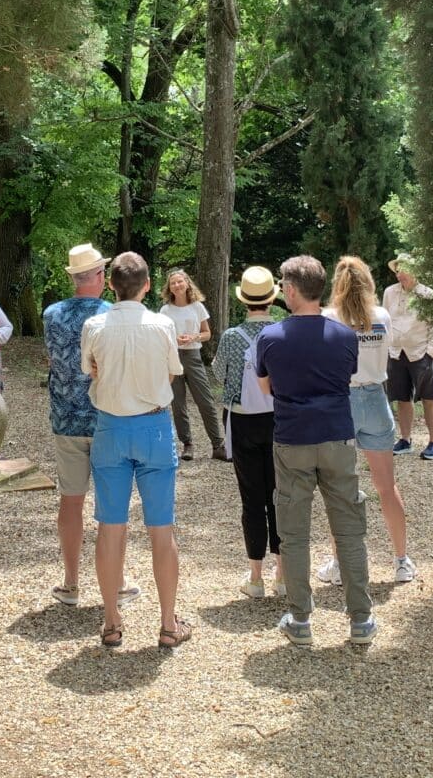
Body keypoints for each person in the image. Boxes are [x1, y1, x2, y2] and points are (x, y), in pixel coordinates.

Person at [257, 255, 377, 648]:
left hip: (293, 439)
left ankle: (301, 617)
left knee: (294, 533)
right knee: (349, 530)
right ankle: (360, 619)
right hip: (338, 437)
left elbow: (265, 390)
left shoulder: (271, 337)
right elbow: (347, 378)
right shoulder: (344, 335)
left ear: (290, 290)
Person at [80, 252, 191, 650]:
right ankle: (167, 623)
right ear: (146, 285)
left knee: (111, 527)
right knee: (161, 528)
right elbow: (173, 370)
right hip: (154, 426)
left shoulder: (94, 324)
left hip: (110, 426)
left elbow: (88, 368)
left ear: (111, 284)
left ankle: (111, 620)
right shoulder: (162, 323)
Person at [41, 243, 139, 609]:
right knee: (113, 504)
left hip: (66, 418)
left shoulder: (52, 314)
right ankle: (118, 579)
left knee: (71, 499)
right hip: (107, 418)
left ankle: (71, 581)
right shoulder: (113, 314)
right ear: (99, 277)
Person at [320, 256, 417, 585]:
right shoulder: (382, 316)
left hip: (341, 401)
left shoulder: (329, 318)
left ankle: (338, 563)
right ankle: (402, 560)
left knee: (339, 489)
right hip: (375, 398)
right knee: (387, 487)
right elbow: (388, 353)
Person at [213, 266, 284, 599]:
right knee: (280, 495)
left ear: (244, 300)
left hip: (242, 420)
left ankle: (255, 576)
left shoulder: (230, 337)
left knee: (251, 497)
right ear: (272, 299)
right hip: (279, 418)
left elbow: (218, 374)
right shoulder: (283, 332)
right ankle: (282, 574)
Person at [159, 269, 227, 462]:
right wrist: (175, 339)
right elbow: (161, 336)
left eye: (180, 282)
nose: (177, 285)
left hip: (193, 356)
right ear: (169, 287)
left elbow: (207, 333)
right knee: (178, 404)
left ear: (187, 283)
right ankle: (187, 444)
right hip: (172, 356)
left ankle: (217, 444)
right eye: (173, 283)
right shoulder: (165, 310)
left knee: (205, 401)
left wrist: (194, 336)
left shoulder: (197, 307)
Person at [384, 255, 433, 459]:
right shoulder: (389, 292)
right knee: (402, 397)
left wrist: (431, 352)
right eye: (397, 270)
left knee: (430, 397)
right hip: (396, 352)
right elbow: (385, 321)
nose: (400, 274)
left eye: (403, 270)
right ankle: (405, 439)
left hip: (421, 352)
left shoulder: (428, 294)